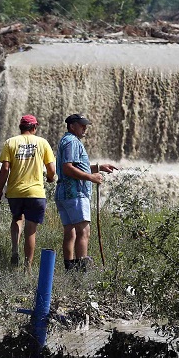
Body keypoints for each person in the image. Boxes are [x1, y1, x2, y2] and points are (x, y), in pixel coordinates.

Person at [54, 113, 117, 272]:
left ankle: (70, 270)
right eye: (81, 125)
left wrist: (99, 168)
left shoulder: (66, 140)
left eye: (85, 124)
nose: (84, 127)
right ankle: (82, 271)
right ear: (72, 126)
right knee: (83, 232)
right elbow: (68, 168)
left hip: (64, 193)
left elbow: (76, 167)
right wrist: (90, 177)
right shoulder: (72, 142)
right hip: (75, 193)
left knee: (70, 232)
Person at [0, 114, 56, 274]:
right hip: (35, 193)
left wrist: (0, 190)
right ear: (34, 128)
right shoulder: (42, 143)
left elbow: (5, 169)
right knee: (31, 230)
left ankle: (15, 249)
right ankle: (27, 267)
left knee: (16, 219)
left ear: (20, 127)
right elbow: (51, 169)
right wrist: (50, 178)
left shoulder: (10, 142)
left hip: (15, 192)